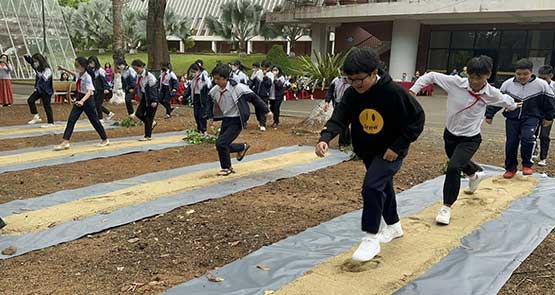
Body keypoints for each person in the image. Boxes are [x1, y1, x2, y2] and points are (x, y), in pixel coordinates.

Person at [316, 48, 425, 262]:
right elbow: (340, 117)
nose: (356, 85)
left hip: (391, 151)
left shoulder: (394, 92)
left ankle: (370, 238)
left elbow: (417, 119)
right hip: (368, 150)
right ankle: (393, 226)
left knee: (372, 186)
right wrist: (325, 138)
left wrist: (399, 146)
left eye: (360, 80)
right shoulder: (351, 94)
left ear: (374, 72)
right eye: (351, 80)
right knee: (383, 186)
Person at [410, 55, 520, 225]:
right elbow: (431, 75)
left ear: (488, 75)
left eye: (479, 78)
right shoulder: (455, 83)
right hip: (450, 134)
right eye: (471, 77)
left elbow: (507, 102)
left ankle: (446, 207)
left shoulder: (492, 94)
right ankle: (474, 175)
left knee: (453, 166)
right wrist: (413, 90)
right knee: (457, 161)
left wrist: (513, 106)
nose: (474, 82)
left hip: (470, 138)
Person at [485, 58, 555, 178]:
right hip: (512, 118)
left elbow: (549, 102)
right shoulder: (507, 84)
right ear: (515, 73)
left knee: (528, 138)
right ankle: (510, 168)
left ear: (531, 72)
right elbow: (498, 100)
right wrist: (490, 114)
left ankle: (527, 165)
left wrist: (549, 117)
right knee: (511, 142)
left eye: (525, 74)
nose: (522, 76)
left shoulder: (541, 85)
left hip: (532, 117)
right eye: (518, 74)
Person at [206, 63, 269, 176]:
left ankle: (226, 168)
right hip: (226, 119)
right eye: (214, 78)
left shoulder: (238, 88)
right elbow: (209, 102)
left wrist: (267, 111)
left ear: (226, 78)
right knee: (220, 145)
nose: (216, 81)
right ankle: (242, 147)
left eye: (218, 79)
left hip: (237, 120)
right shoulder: (214, 91)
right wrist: (210, 116)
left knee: (221, 143)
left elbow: (255, 98)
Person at [54, 57, 110, 151]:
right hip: (80, 98)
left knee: (94, 121)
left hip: (87, 100)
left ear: (83, 66)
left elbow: (89, 92)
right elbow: (72, 73)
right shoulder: (79, 74)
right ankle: (65, 141)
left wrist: (82, 101)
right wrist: (63, 69)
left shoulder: (87, 76)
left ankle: (105, 139)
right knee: (71, 119)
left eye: (77, 65)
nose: (75, 67)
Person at [24, 53, 55, 127]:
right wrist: (26, 56)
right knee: (30, 100)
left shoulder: (47, 70)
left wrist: (37, 87)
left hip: (46, 91)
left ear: (40, 61)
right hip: (39, 90)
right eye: (34, 61)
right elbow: (31, 61)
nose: (34, 63)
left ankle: (51, 122)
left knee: (47, 106)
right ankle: (36, 116)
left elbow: (43, 80)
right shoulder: (37, 67)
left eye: (36, 61)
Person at [132, 59, 159, 141]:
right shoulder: (138, 76)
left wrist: (154, 100)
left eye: (137, 69)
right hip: (144, 96)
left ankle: (148, 136)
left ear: (142, 67)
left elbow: (153, 89)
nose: (136, 71)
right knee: (139, 114)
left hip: (152, 97)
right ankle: (151, 123)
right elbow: (138, 87)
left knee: (149, 117)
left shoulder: (150, 76)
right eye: (134, 69)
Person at [324, 68, 351, 149]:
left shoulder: (351, 82)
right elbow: (330, 92)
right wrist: (327, 102)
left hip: (347, 105)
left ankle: (343, 143)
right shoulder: (336, 81)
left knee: (344, 123)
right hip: (337, 104)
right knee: (337, 121)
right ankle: (344, 141)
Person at [534, 65, 555, 166]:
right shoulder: (536, 85)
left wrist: (551, 116)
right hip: (536, 113)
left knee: (544, 135)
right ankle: (534, 151)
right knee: (532, 134)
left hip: (548, 115)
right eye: (540, 78)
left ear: (551, 75)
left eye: (544, 78)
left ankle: (543, 157)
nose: (541, 81)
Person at [184, 63, 212, 134]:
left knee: (202, 115)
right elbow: (189, 89)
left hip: (203, 98)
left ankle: (204, 130)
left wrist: (209, 99)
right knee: (196, 114)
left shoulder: (204, 79)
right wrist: (184, 96)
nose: (193, 74)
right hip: (196, 97)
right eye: (192, 72)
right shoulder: (193, 80)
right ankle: (199, 128)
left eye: (194, 72)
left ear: (199, 71)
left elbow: (209, 88)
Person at [88, 56, 114, 121]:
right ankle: (109, 113)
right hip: (95, 90)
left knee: (98, 104)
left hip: (101, 90)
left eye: (92, 62)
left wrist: (106, 88)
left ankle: (100, 119)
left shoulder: (100, 70)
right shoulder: (91, 70)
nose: (91, 64)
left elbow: (104, 80)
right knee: (96, 104)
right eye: (90, 62)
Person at [254, 60, 274, 131]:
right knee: (257, 109)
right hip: (256, 94)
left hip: (264, 95)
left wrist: (265, 76)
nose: (264, 69)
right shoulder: (258, 73)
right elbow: (253, 81)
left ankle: (263, 124)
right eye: (263, 67)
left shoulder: (271, 75)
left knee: (263, 109)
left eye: (266, 68)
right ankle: (259, 120)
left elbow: (268, 84)